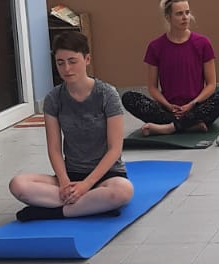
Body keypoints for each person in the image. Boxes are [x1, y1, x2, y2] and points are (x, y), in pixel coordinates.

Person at [9, 31, 134, 219]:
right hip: (71, 175)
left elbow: (115, 149)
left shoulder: (107, 94)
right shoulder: (53, 98)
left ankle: (55, 212)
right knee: (18, 184)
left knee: (122, 191)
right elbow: (54, 149)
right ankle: (91, 206)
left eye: (72, 61)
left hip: (106, 175)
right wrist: (64, 182)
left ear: (87, 59)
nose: (66, 69)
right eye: (60, 63)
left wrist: (87, 185)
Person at [121, 0, 219, 136]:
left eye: (187, 12)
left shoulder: (203, 43)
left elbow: (211, 84)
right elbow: (152, 87)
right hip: (168, 109)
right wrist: (168, 106)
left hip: (196, 107)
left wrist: (192, 104)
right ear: (168, 17)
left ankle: (170, 127)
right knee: (129, 98)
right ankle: (188, 125)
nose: (185, 17)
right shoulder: (155, 46)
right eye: (179, 14)